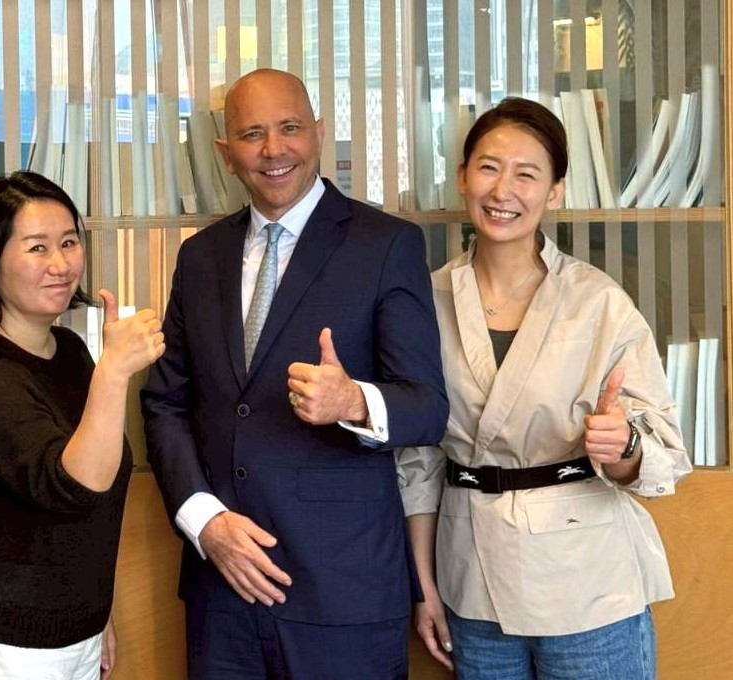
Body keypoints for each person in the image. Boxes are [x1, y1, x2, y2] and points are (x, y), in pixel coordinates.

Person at [141, 68, 449, 679]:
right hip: (221, 590)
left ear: (319, 133)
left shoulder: (387, 244)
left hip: (343, 592)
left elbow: (427, 406)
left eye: (290, 128)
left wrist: (354, 401)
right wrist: (204, 522)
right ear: (226, 153)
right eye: (252, 134)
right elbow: (166, 403)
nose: (274, 149)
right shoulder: (200, 256)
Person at [396, 97, 692, 679]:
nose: (503, 190)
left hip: (587, 581)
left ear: (554, 192)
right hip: (471, 581)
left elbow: (664, 450)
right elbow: (418, 461)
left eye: (526, 174)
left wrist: (623, 447)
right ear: (462, 177)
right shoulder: (422, 300)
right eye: (488, 167)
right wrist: (423, 585)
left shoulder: (598, 301)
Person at [0, 171, 165, 680]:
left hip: (74, 632)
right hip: (0, 644)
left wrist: (98, 613)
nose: (61, 264)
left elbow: (88, 510)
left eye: (69, 242)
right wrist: (115, 370)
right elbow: (74, 486)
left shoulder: (70, 352)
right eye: (37, 247)